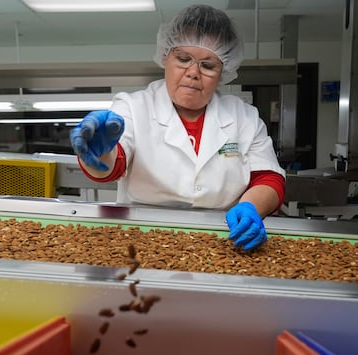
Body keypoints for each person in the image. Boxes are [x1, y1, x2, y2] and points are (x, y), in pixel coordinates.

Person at [70, 4, 285, 251]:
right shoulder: (132, 107)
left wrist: (250, 208)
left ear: (223, 71)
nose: (193, 72)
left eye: (208, 65)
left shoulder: (243, 116)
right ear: (165, 58)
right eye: (183, 59)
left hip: (226, 239)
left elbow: (268, 178)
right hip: (142, 238)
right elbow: (111, 167)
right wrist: (97, 152)